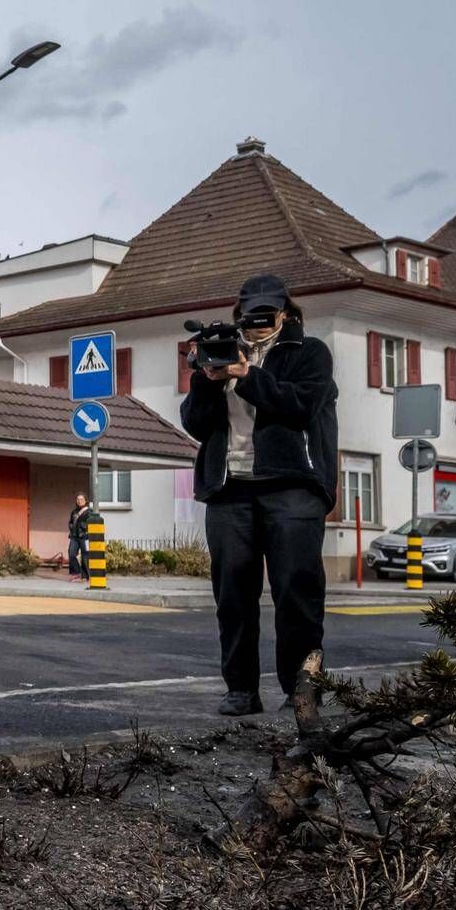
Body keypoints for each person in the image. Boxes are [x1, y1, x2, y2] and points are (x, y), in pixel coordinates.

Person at [179, 274, 338, 716]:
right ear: (239, 314)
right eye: (251, 315)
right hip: (230, 489)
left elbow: (300, 406)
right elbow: (195, 424)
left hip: (293, 486)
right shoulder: (222, 351)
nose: (259, 322)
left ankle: (302, 691)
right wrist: (209, 377)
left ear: (286, 313)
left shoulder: (309, 353)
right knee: (232, 596)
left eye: (268, 314)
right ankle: (241, 690)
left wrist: (248, 376)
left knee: (296, 593)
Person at [67, 492, 94, 579]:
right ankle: (77, 573)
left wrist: (83, 527)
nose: (79, 501)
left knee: (85, 556)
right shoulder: (74, 512)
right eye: (78, 499)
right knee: (71, 554)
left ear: (85, 501)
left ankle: (86, 576)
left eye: (81, 499)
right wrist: (71, 527)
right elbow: (71, 522)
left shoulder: (89, 512)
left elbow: (90, 523)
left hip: (84, 537)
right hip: (74, 537)